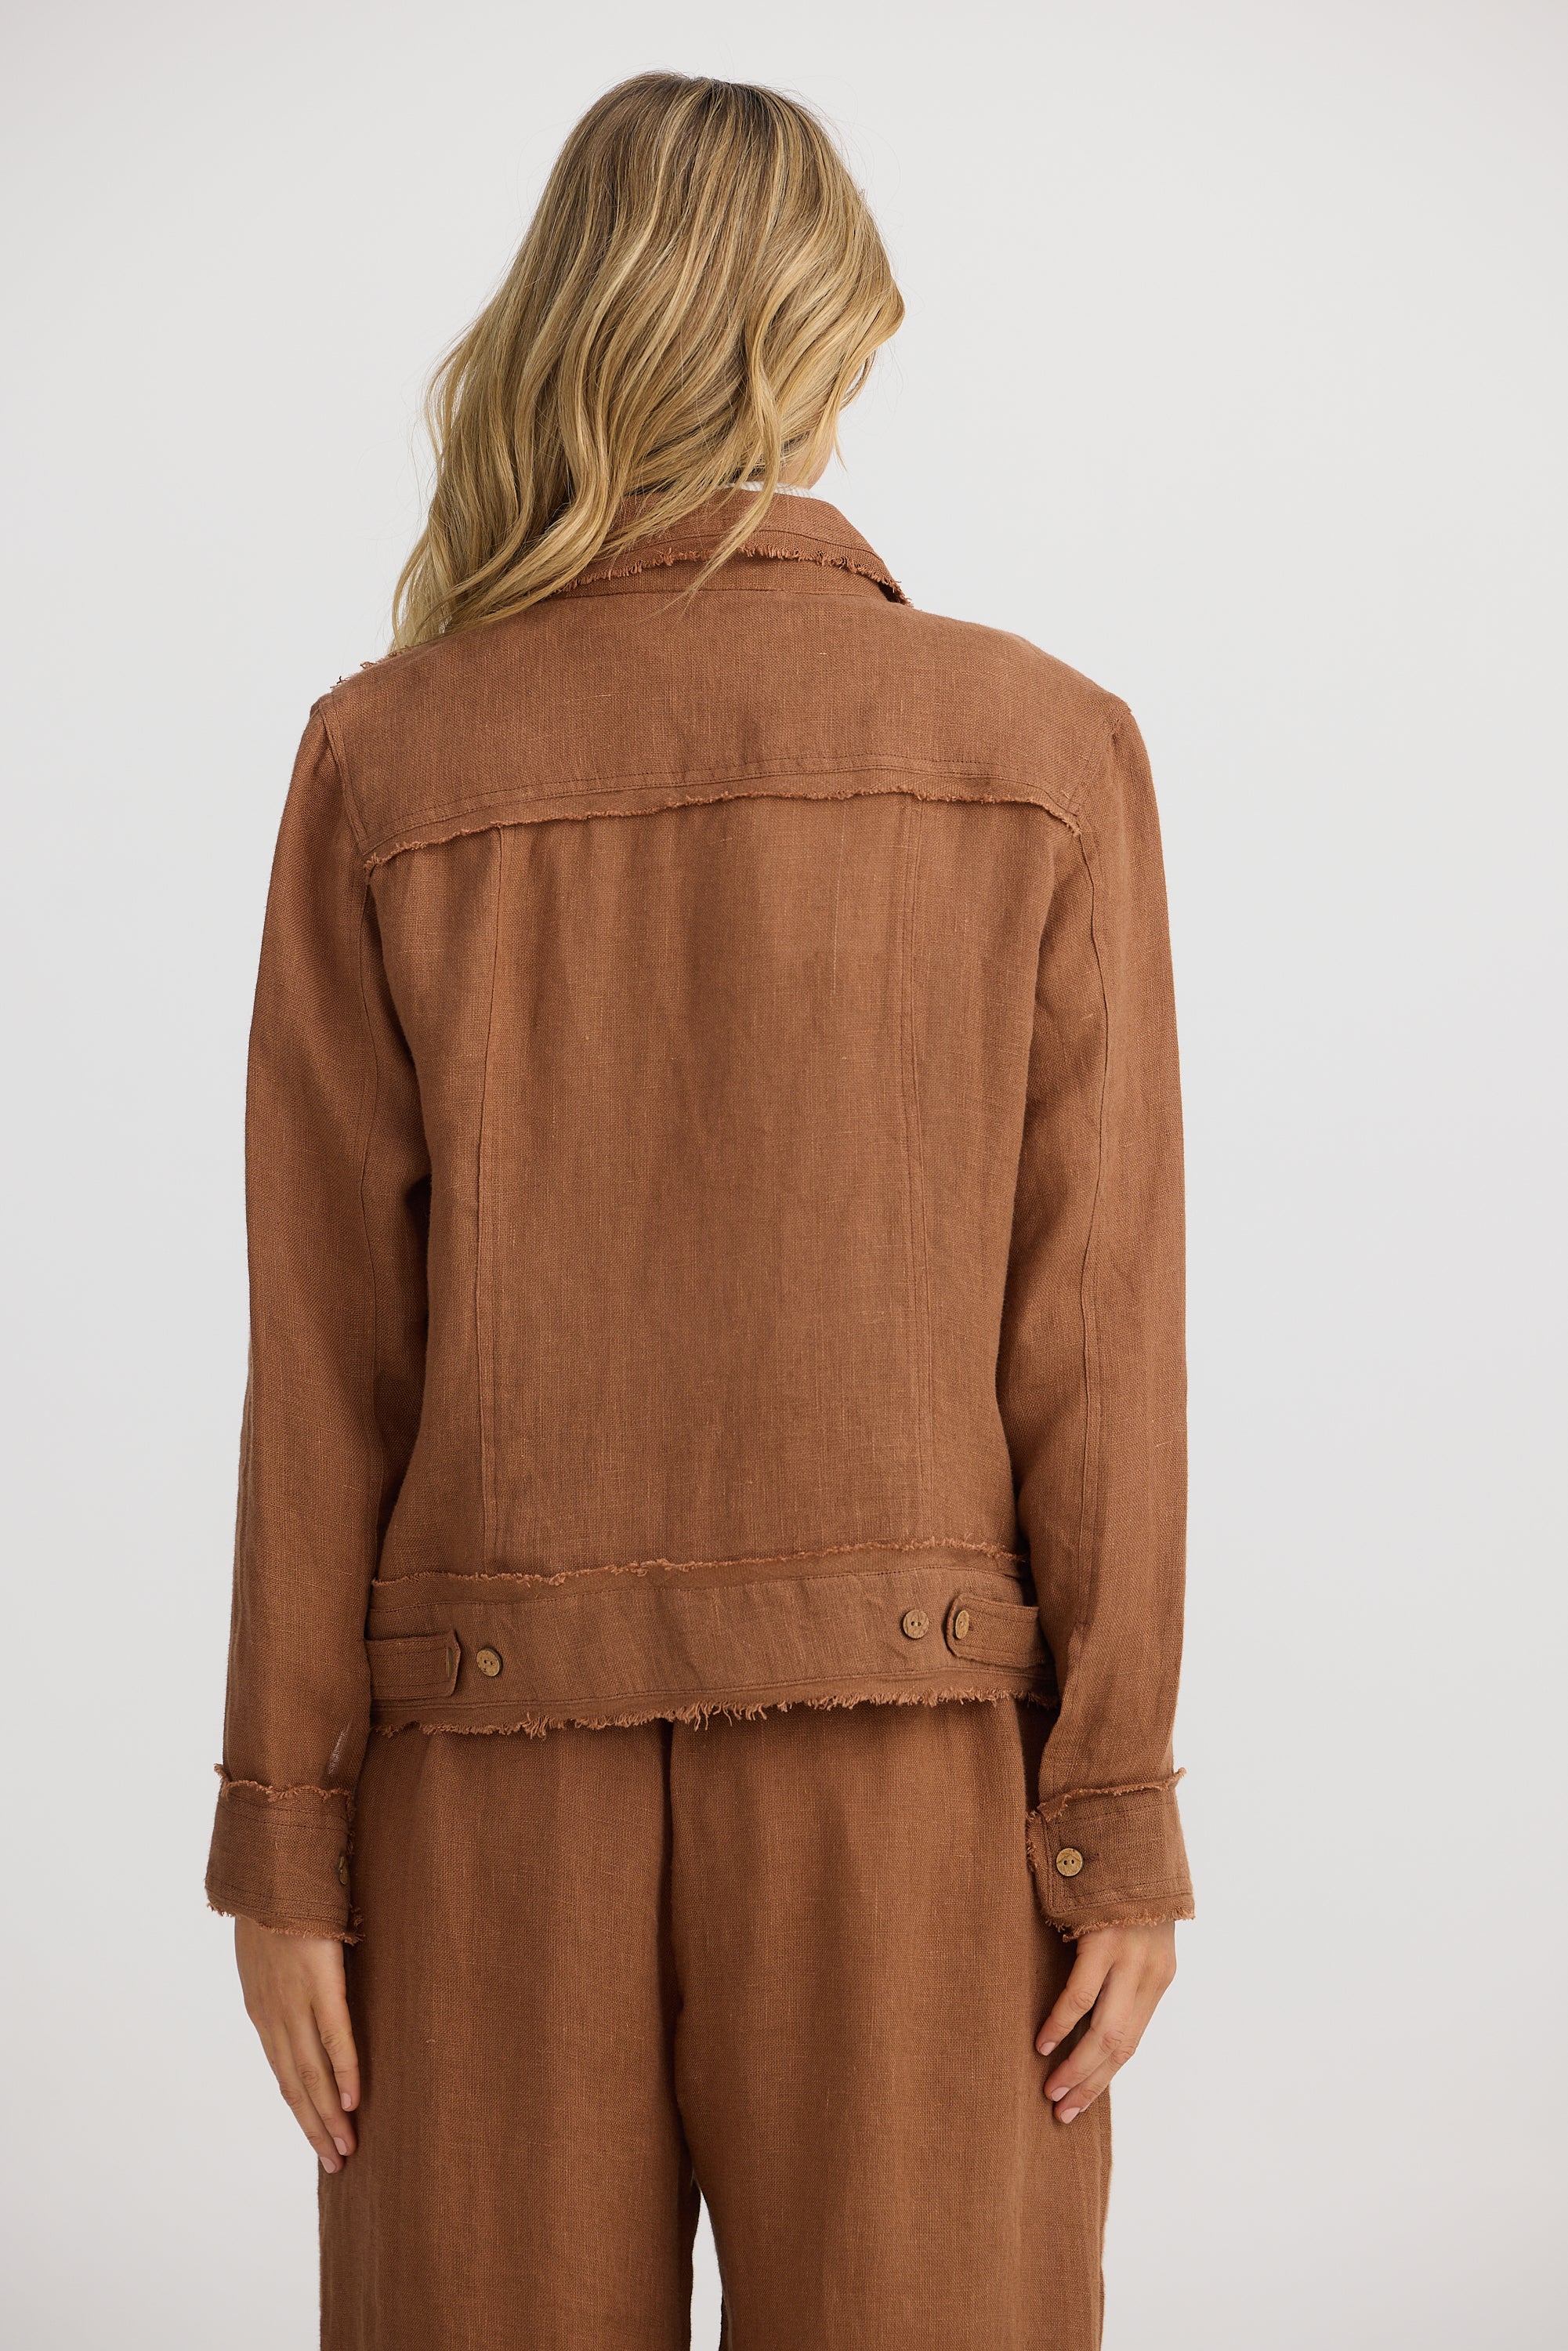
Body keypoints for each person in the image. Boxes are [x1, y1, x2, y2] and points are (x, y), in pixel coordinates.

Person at [207, 71, 1193, 2351]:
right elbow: (1095, 1336)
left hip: (477, 1797)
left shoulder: (390, 755)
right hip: (917, 1791)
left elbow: (324, 1361)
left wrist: (287, 1844)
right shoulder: (1043, 751)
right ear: (824, 341)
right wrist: (1113, 1815)